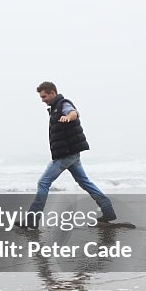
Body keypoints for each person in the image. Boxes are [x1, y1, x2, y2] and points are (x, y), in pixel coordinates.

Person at [25, 82, 116, 227]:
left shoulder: (63, 104)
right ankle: (108, 209)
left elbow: (73, 112)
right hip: (72, 154)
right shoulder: (54, 109)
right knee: (84, 182)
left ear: (53, 93)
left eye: (44, 96)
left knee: (43, 183)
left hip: (66, 154)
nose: (42, 100)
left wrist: (68, 117)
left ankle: (32, 219)